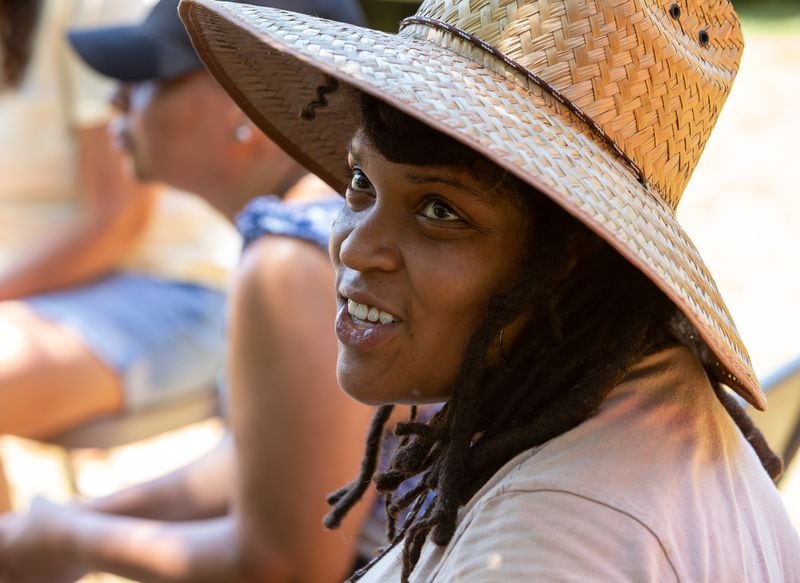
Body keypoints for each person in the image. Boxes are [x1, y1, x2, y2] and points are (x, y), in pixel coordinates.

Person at [178, 0, 800, 581]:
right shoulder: (639, 401)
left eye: (440, 212)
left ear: (570, 264)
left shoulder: (547, 542)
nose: (354, 247)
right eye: (361, 182)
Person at [0, 1, 377, 582]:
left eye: (147, 76)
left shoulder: (289, 262)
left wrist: (68, 539)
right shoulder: (319, 232)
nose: (116, 102)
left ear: (246, 103)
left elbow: (288, 568)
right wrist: (74, 519)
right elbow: (274, 462)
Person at [0, 0, 237, 508]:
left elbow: (116, 221)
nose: (121, 105)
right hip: (29, 302)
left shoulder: (94, 10)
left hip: (165, 287)